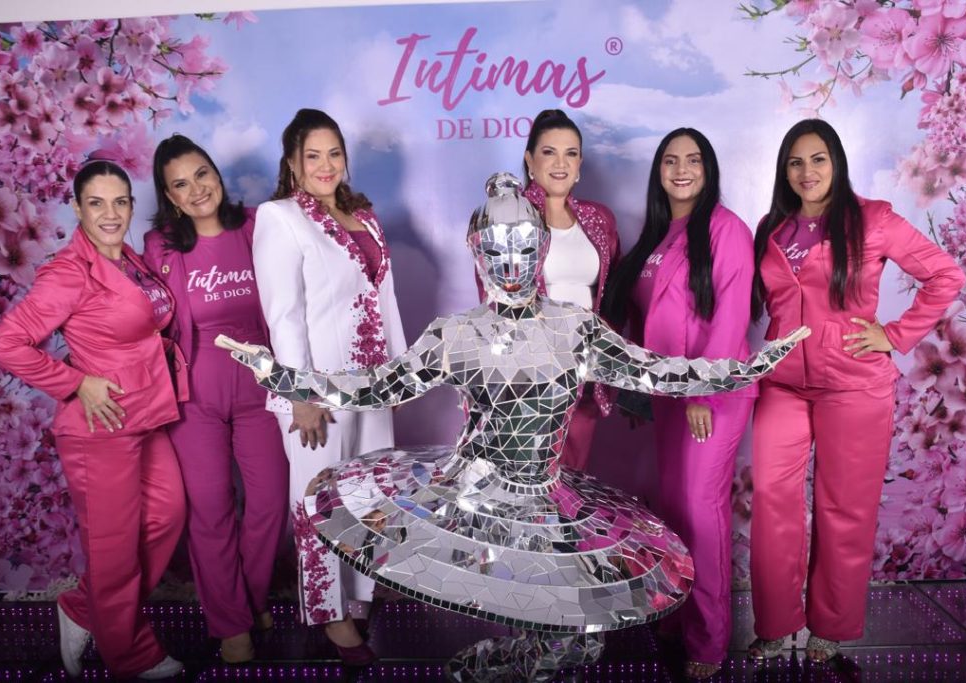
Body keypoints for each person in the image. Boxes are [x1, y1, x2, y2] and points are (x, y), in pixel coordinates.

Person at [219, 172, 810, 681]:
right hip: (473, 495)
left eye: (524, 248)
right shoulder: (457, 334)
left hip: (546, 499)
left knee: (579, 637)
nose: (511, 265)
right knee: (544, 623)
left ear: (541, 248)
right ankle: (487, 664)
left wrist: (745, 368)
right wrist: (283, 376)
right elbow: (376, 386)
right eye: (496, 251)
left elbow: (655, 371)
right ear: (477, 252)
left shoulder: (573, 328)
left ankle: (490, 665)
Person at [747, 119, 965, 663]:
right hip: (783, 383)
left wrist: (894, 335)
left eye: (818, 159)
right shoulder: (773, 227)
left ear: (837, 162)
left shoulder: (873, 219)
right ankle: (776, 624)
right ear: (784, 171)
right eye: (796, 162)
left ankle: (830, 626)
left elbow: (946, 275)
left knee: (843, 506)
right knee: (772, 498)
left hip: (853, 385)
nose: (807, 172)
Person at [0, 160, 186, 680]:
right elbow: (5, 343)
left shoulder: (130, 260)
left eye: (120, 202)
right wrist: (76, 382)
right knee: (114, 550)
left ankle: (83, 607)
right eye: (96, 203)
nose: (110, 213)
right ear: (77, 208)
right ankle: (130, 655)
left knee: (168, 516)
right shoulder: (68, 272)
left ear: (131, 206)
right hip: (100, 427)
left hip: (146, 414)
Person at [252, 108, 406, 666]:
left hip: (370, 383)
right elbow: (284, 314)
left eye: (334, 153)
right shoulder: (280, 218)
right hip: (316, 392)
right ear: (292, 163)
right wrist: (300, 395)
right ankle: (328, 612)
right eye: (312, 155)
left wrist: (398, 376)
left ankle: (359, 596)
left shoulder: (364, 215)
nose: (325, 165)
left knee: (367, 496)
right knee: (319, 501)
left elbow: (385, 299)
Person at [601, 128, 755, 680]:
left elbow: (731, 317)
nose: (681, 169)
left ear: (708, 169)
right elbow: (648, 321)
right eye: (671, 160)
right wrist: (633, 389)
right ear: (659, 172)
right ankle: (676, 615)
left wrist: (702, 391)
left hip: (711, 394)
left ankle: (708, 643)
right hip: (669, 394)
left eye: (693, 160)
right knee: (674, 510)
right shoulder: (659, 234)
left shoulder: (726, 229)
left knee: (702, 512)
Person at [142, 135, 288, 664]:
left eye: (201, 174)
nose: (196, 189)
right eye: (180, 184)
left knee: (270, 502)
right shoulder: (160, 246)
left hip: (260, 385)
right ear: (169, 196)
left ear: (216, 173)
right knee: (210, 509)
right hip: (195, 394)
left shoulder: (256, 225)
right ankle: (231, 624)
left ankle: (248, 599)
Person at [511, 109, 620, 471]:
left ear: (579, 164)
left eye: (570, 153)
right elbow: (495, 302)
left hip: (584, 376)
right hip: (529, 379)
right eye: (549, 152)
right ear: (530, 160)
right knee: (530, 480)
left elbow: (611, 295)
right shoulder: (510, 219)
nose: (561, 163)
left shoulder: (598, 219)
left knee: (572, 479)